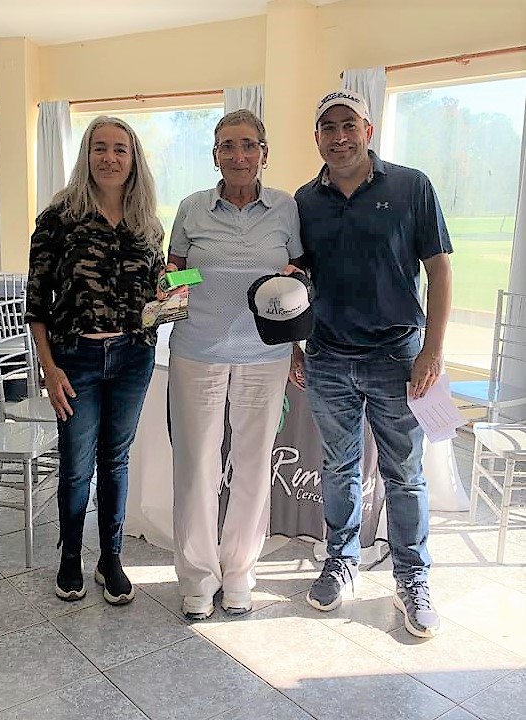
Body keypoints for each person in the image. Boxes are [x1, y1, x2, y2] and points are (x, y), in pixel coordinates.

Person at [292, 89, 452, 638]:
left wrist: (432, 350)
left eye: (348, 125)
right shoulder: (304, 200)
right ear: (316, 138)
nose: (339, 137)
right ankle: (341, 560)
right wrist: (294, 346)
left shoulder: (411, 186)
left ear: (368, 129)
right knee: (339, 467)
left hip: (396, 357)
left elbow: (440, 270)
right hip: (328, 357)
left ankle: (413, 577)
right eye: (328, 127)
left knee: (404, 475)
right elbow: (297, 281)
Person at [167, 109, 303, 621]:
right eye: (227, 145)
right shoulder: (192, 208)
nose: (238, 155)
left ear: (264, 154)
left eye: (248, 145)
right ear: (215, 155)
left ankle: (240, 573)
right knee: (196, 466)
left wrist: (295, 337)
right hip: (197, 351)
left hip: (265, 355)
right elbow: (177, 272)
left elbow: (296, 272)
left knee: (252, 465)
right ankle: (198, 579)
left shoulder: (285, 208)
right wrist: (177, 283)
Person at [25, 116, 166, 605]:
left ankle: (111, 557)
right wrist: (49, 368)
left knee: (116, 461)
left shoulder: (147, 222)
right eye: (100, 148)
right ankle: (70, 558)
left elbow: (156, 292)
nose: (110, 157)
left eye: (120, 149)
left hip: (133, 357)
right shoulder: (59, 217)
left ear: (133, 159)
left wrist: (172, 293)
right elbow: (36, 303)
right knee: (76, 465)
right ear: (86, 155)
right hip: (75, 358)